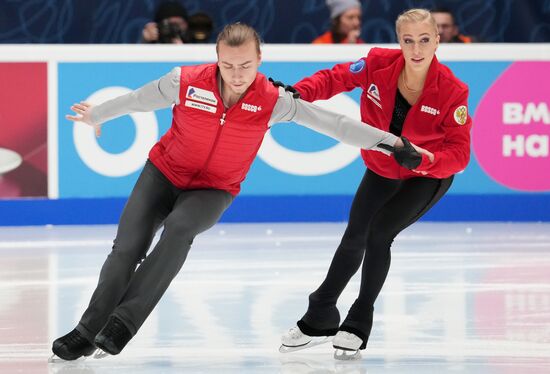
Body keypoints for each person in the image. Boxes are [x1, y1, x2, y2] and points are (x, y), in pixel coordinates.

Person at [50, 22, 426, 361]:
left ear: (260, 59)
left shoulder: (272, 100)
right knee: (126, 249)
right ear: (216, 58)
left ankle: (122, 324)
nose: (236, 74)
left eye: (245, 65)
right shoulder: (184, 81)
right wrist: (96, 115)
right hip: (162, 175)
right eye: (228, 65)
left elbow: (336, 125)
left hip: (213, 190)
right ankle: (85, 332)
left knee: (180, 229)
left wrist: (392, 143)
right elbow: (137, 100)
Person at [280, 8, 472, 359]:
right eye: (409, 40)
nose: (416, 49)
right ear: (399, 41)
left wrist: (428, 160)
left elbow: (460, 153)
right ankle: (320, 313)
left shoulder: (453, 90)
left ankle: (359, 319)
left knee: (379, 233)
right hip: (382, 168)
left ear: (437, 41)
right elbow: (334, 78)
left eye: (425, 40)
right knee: (354, 236)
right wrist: (299, 92)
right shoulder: (377, 63)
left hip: (426, 177)